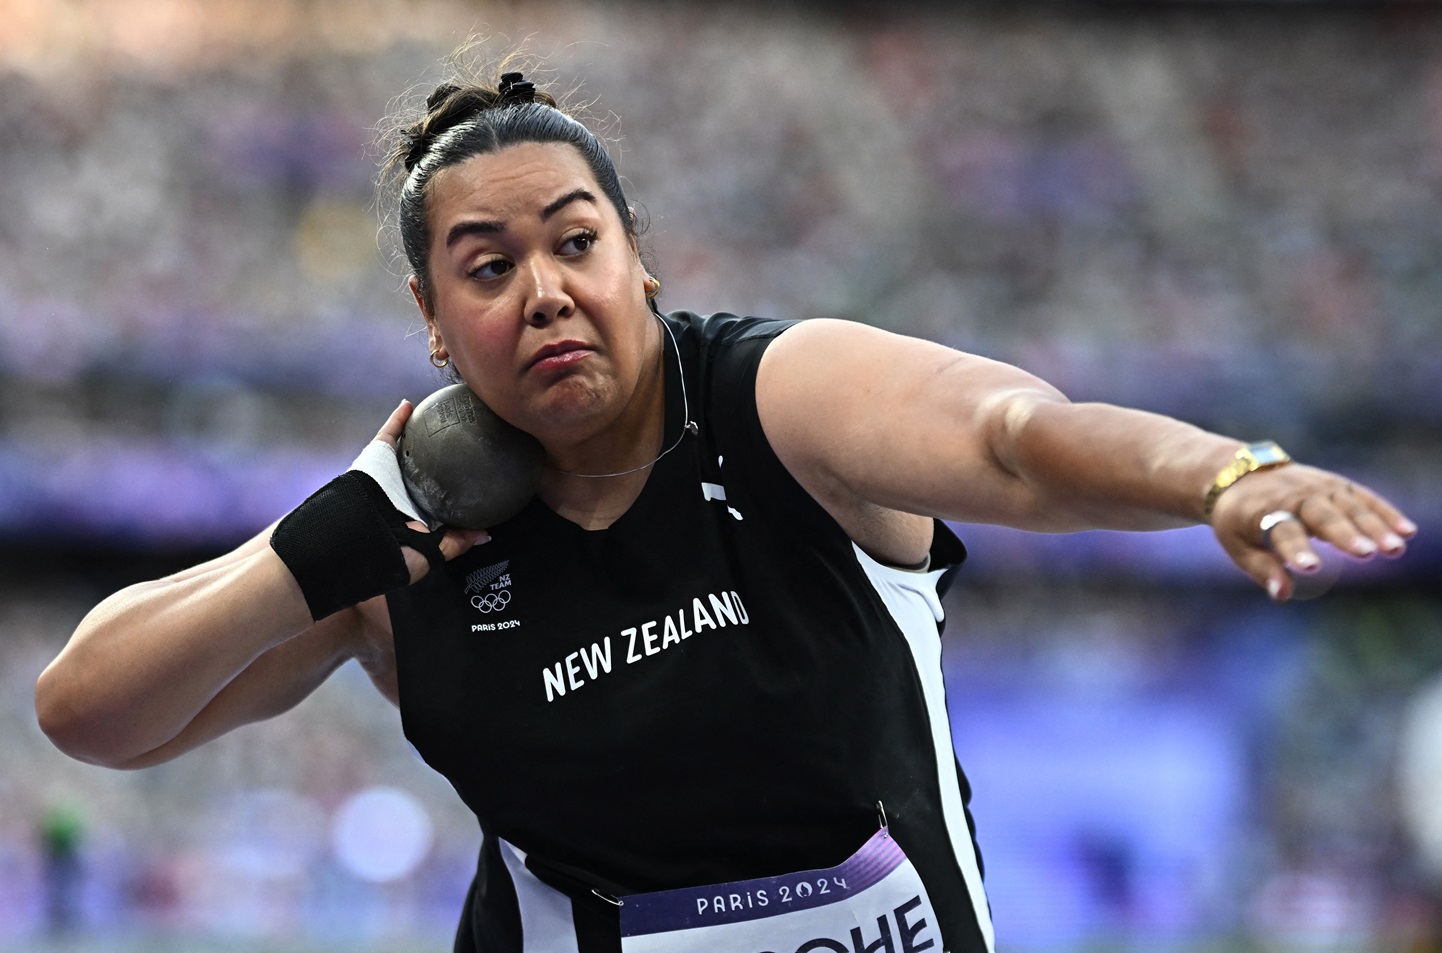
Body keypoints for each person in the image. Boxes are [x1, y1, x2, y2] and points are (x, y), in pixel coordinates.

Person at [35, 56, 1416, 953]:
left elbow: (1017, 441)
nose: (545, 290)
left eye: (576, 241)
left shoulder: (777, 401)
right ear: (434, 320)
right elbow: (90, 712)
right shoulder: (410, 529)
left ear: (639, 258)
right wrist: (324, 539)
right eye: (487, 266)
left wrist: (1219, 474)